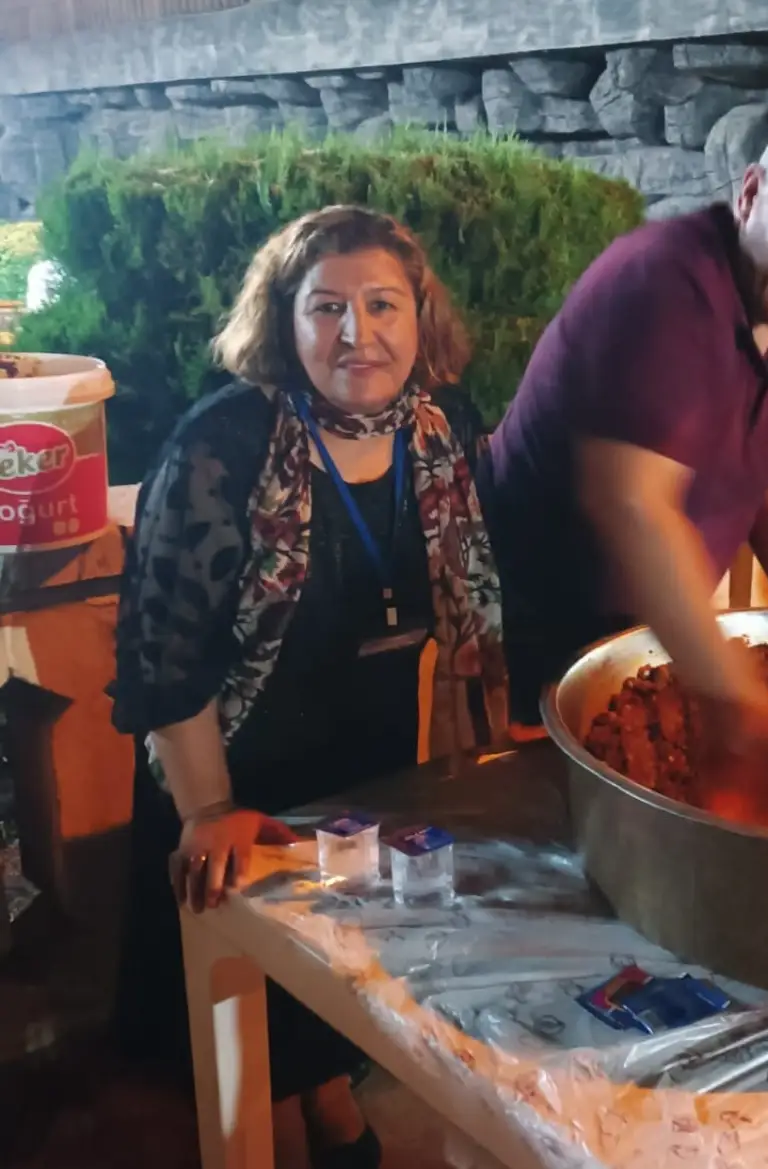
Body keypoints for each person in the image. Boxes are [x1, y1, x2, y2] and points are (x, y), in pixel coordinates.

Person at [111, 206, 507, 1169]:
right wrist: (208, 809)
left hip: (365, 764)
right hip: (230, 769)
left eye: (383, 305)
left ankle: (328, 1100)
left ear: (420, 315)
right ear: (285, 321)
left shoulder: (443, 425)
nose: (356, 334)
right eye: (326, 307)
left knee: (336, 983)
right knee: (247, 1055)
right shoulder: (225, 445)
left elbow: (472, 600)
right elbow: (164, 656)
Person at [478, 93, 768, 764]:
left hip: (644, 629)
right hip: (526, 630)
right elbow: (633, 509)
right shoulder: (663, 289)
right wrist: (730, 691)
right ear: (752, 193)